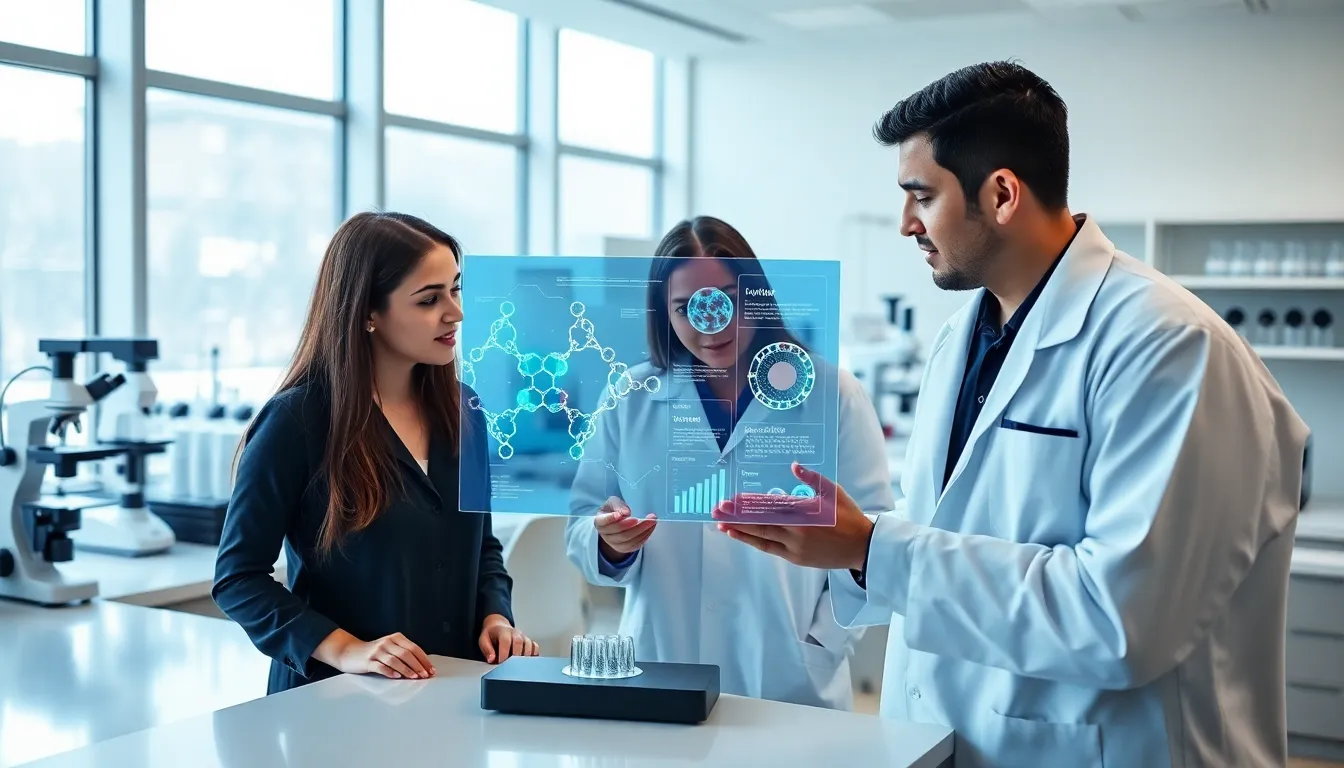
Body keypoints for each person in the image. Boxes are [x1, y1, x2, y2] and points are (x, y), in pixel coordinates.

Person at [715, 62, 1310, 767]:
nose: (906, 224)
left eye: (921, 197)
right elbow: (953, 536)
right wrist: (853, 553)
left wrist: (873, 549)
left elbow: (1121, 621)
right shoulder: (958, 341)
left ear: (1001, 194)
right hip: (953, 742)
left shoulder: (1169, 347)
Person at [564, 216, 894, 710]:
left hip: (788, 671)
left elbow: (875, 536)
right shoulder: (630, 396)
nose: (709, 323)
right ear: (665, 314)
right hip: (663, 660)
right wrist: (610, 544)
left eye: (726, 300)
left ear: (754, 296)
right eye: (685, 307)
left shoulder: (831, 395)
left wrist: (824, 637)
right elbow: (581, 524)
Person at [213, 211, 539, 696]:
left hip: (452, 697)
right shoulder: (296, 421)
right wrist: (345, 648)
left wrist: (496, 617)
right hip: (332, 702)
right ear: (367, 312)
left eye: (455, 288)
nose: (455, 313)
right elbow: (238, 579)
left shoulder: (464, 409)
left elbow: (482, 548)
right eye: (429, 299)